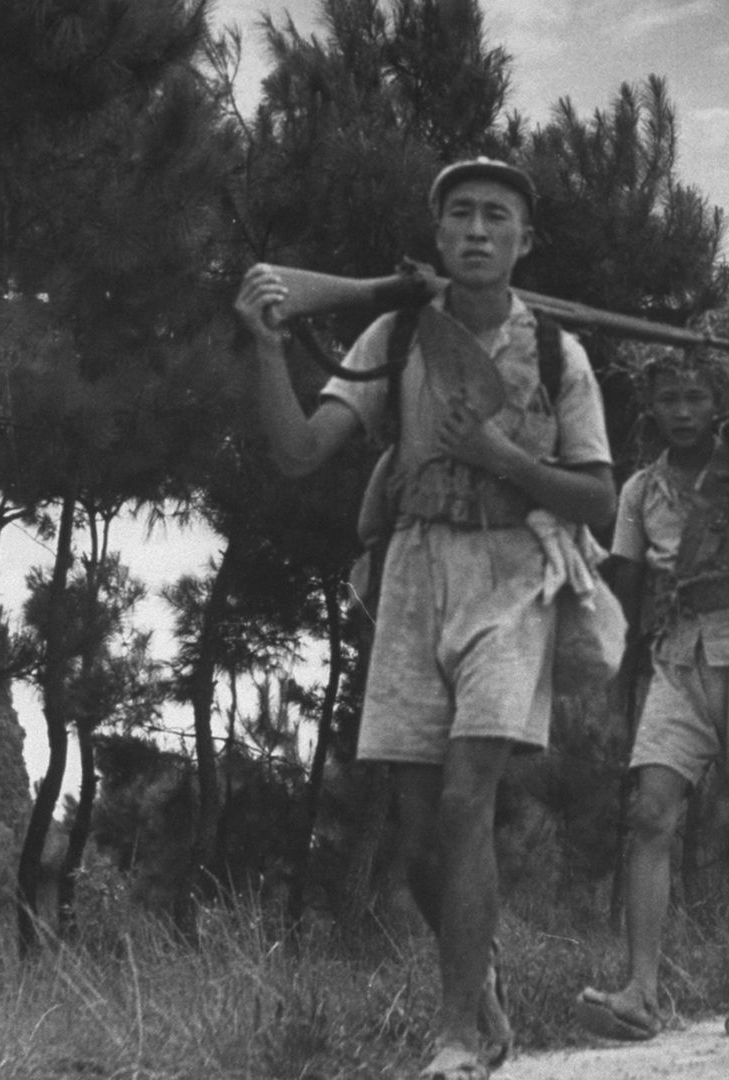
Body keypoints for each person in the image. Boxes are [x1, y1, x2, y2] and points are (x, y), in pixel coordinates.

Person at [236, 158, 617, 1080]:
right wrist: (263, 344)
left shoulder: (558, 351)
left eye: (497, 217)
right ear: (437, 234)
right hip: (412, 569)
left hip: (514, 573)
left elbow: (599, 498)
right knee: (416, 842)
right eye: (460, 216)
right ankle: (476, 987)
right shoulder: (397, 330)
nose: (477, 231)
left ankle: (454, 1037)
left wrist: (499, 455)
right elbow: (296, 453)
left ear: (524, 240)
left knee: (465, 796)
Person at [575, 353, 729, 1040]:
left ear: (718, 406)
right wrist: (615, 683)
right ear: (651, 409)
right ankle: (640, 992)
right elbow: (622, 586)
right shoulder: (640, 491)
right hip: (677, 655)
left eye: (695, 398)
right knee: (649, 812)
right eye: (669, 399)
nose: (682, 411)